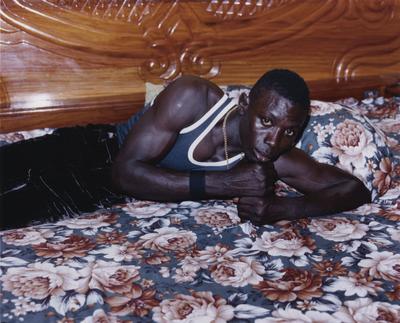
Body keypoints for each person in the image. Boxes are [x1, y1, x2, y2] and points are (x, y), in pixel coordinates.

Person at [112, 69, 371, 225]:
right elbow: (123, 173)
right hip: (94, 152)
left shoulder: (275, 156)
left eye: (289, 131)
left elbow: (354, 190)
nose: (273, 140)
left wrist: (282, 208)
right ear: (245, 104)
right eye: (266, 121)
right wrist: (225, 183)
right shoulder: (192, 97)